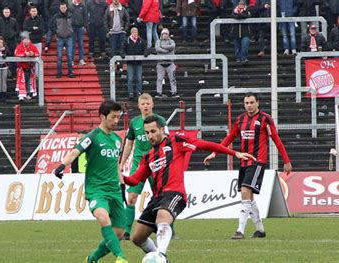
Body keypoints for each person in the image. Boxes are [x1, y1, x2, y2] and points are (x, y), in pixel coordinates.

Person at [120, 115, 255, 261]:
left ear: (161, 129)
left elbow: (204, 144)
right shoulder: (148, 157)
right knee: (137, 238)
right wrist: (120, 175)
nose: (150, 136)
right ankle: (162, 258)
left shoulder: (176, 141)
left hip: (174, 194)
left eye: (153, 131)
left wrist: (235, 153)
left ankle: (160, 256)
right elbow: (134, 180)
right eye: (147, 133)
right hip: (157, 198)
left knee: (162, 219)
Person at [203, 92, 292, 239]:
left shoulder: (265, 119)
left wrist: (286, 160)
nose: (249, 105)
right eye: (246, 103)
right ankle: (260, 230)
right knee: (248, 197)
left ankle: (240, 231)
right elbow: (230, 137)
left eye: (252, 102)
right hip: (243, 161)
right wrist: (215, 152)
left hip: (257, 162)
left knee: (245, 191)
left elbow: (276, 139)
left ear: (258, 103)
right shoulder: (240, 119)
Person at [54, 100, 128, 263]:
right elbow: (75, 152)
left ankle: (92, 259)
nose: (116, 121)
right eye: (113, 117)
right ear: (102, 116)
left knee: (119, 232)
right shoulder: (93, 136)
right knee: (103, 217)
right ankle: (120, 257)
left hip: (114, 190)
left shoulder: (117, 140)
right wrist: (62, 165)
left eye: (118, 117)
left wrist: (122, 184)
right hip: (96, 189)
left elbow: (115, 163)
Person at [119, 93, 167, 239]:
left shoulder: (160, 121)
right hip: (139, 163)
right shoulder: (134, 123)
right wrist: (121, 163)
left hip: (156, 163)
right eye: (143, 104)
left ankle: (169, 228)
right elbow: (129, 143)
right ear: (139, 106)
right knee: (131, 197)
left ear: (152, 104)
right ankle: (127, 231)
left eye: (148, 103)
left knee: (163, 197)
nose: (145, 106)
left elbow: (167, 140)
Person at [0, 7, 20, 78]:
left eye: (8, 12)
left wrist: (13, 34)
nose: (6, 14)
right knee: (1, 57)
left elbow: (18, 30)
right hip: (2, 42)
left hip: (11, 42)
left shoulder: (14, 21)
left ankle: (13, 73)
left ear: (10, 13)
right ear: (3, 13)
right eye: (5, 12)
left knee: (12, 57)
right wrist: (0, 35)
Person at [50, 2, 75, 78]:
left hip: (69, 37)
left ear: (66, 7)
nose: (63, 9)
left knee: (70, 56)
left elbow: (75, 24)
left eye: (64, 7)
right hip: (60, 37)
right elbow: (51, 25)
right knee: (59, 56)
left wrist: (71, 31)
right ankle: (59, 73)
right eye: (62, 8)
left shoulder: (71, 15)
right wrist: (57, 32)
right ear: (59, 8)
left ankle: (70, 72)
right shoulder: (56, 16)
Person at [121, 27, 147, 100]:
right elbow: (122, 49)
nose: (135, 34)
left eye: (136, 32)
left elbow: (145, 48)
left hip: (138, 62)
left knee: (139, 78)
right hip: (130, 63)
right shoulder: (127, 40)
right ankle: (131, 92)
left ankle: (138, 92)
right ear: (131, 33)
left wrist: (145, 53)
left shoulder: (141, 40)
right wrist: (123, 54)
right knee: (130, 78)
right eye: (134, 32)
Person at [14, 32, 39, 101]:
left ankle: (28, 94)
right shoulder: (19, 47)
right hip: (21, 68)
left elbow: (37, 53)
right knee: (20, 82)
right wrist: (25, 54)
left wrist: (32, 54)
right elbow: (16, 54)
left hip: (29, 67)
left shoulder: (33, 46)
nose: (26, 41)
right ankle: (20, 95)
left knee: (28, 82)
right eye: (24, 40)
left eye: (27, 40)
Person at [155, 28, 178, 99]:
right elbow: (157, 49)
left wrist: (163, 47)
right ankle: (159, 92)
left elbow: (172, 46)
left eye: (166, 34)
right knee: (159, 79)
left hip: (170, 63)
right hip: (160, 63)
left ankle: (174, 92)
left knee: (173, 79)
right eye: (163, 34)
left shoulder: (172, 41)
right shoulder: (158, 41)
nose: (164, 35)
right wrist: (167, 51)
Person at [23, 5, 45, 76]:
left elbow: (41, 30)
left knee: (38, 58)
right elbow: (25, 29)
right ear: (30, 12)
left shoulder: (40, 19)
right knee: (29, 58)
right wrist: (33, 29)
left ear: (37, 11)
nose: (34, 12)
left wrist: (31, 31)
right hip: (29, 42)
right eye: (32, 11)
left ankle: (37, 75)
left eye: (35, 11)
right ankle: (30, 74)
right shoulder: (27, 20)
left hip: (38, 41)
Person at [69, 0, 87, 66]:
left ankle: (81, 59)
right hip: (72, 28)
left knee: (81, 44)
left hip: (80, 27)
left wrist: (85, 25)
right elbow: (68, 17)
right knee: (72, 44)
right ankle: (71, 60)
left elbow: (85, 16)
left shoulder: (83, 6)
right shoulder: (70, 6)